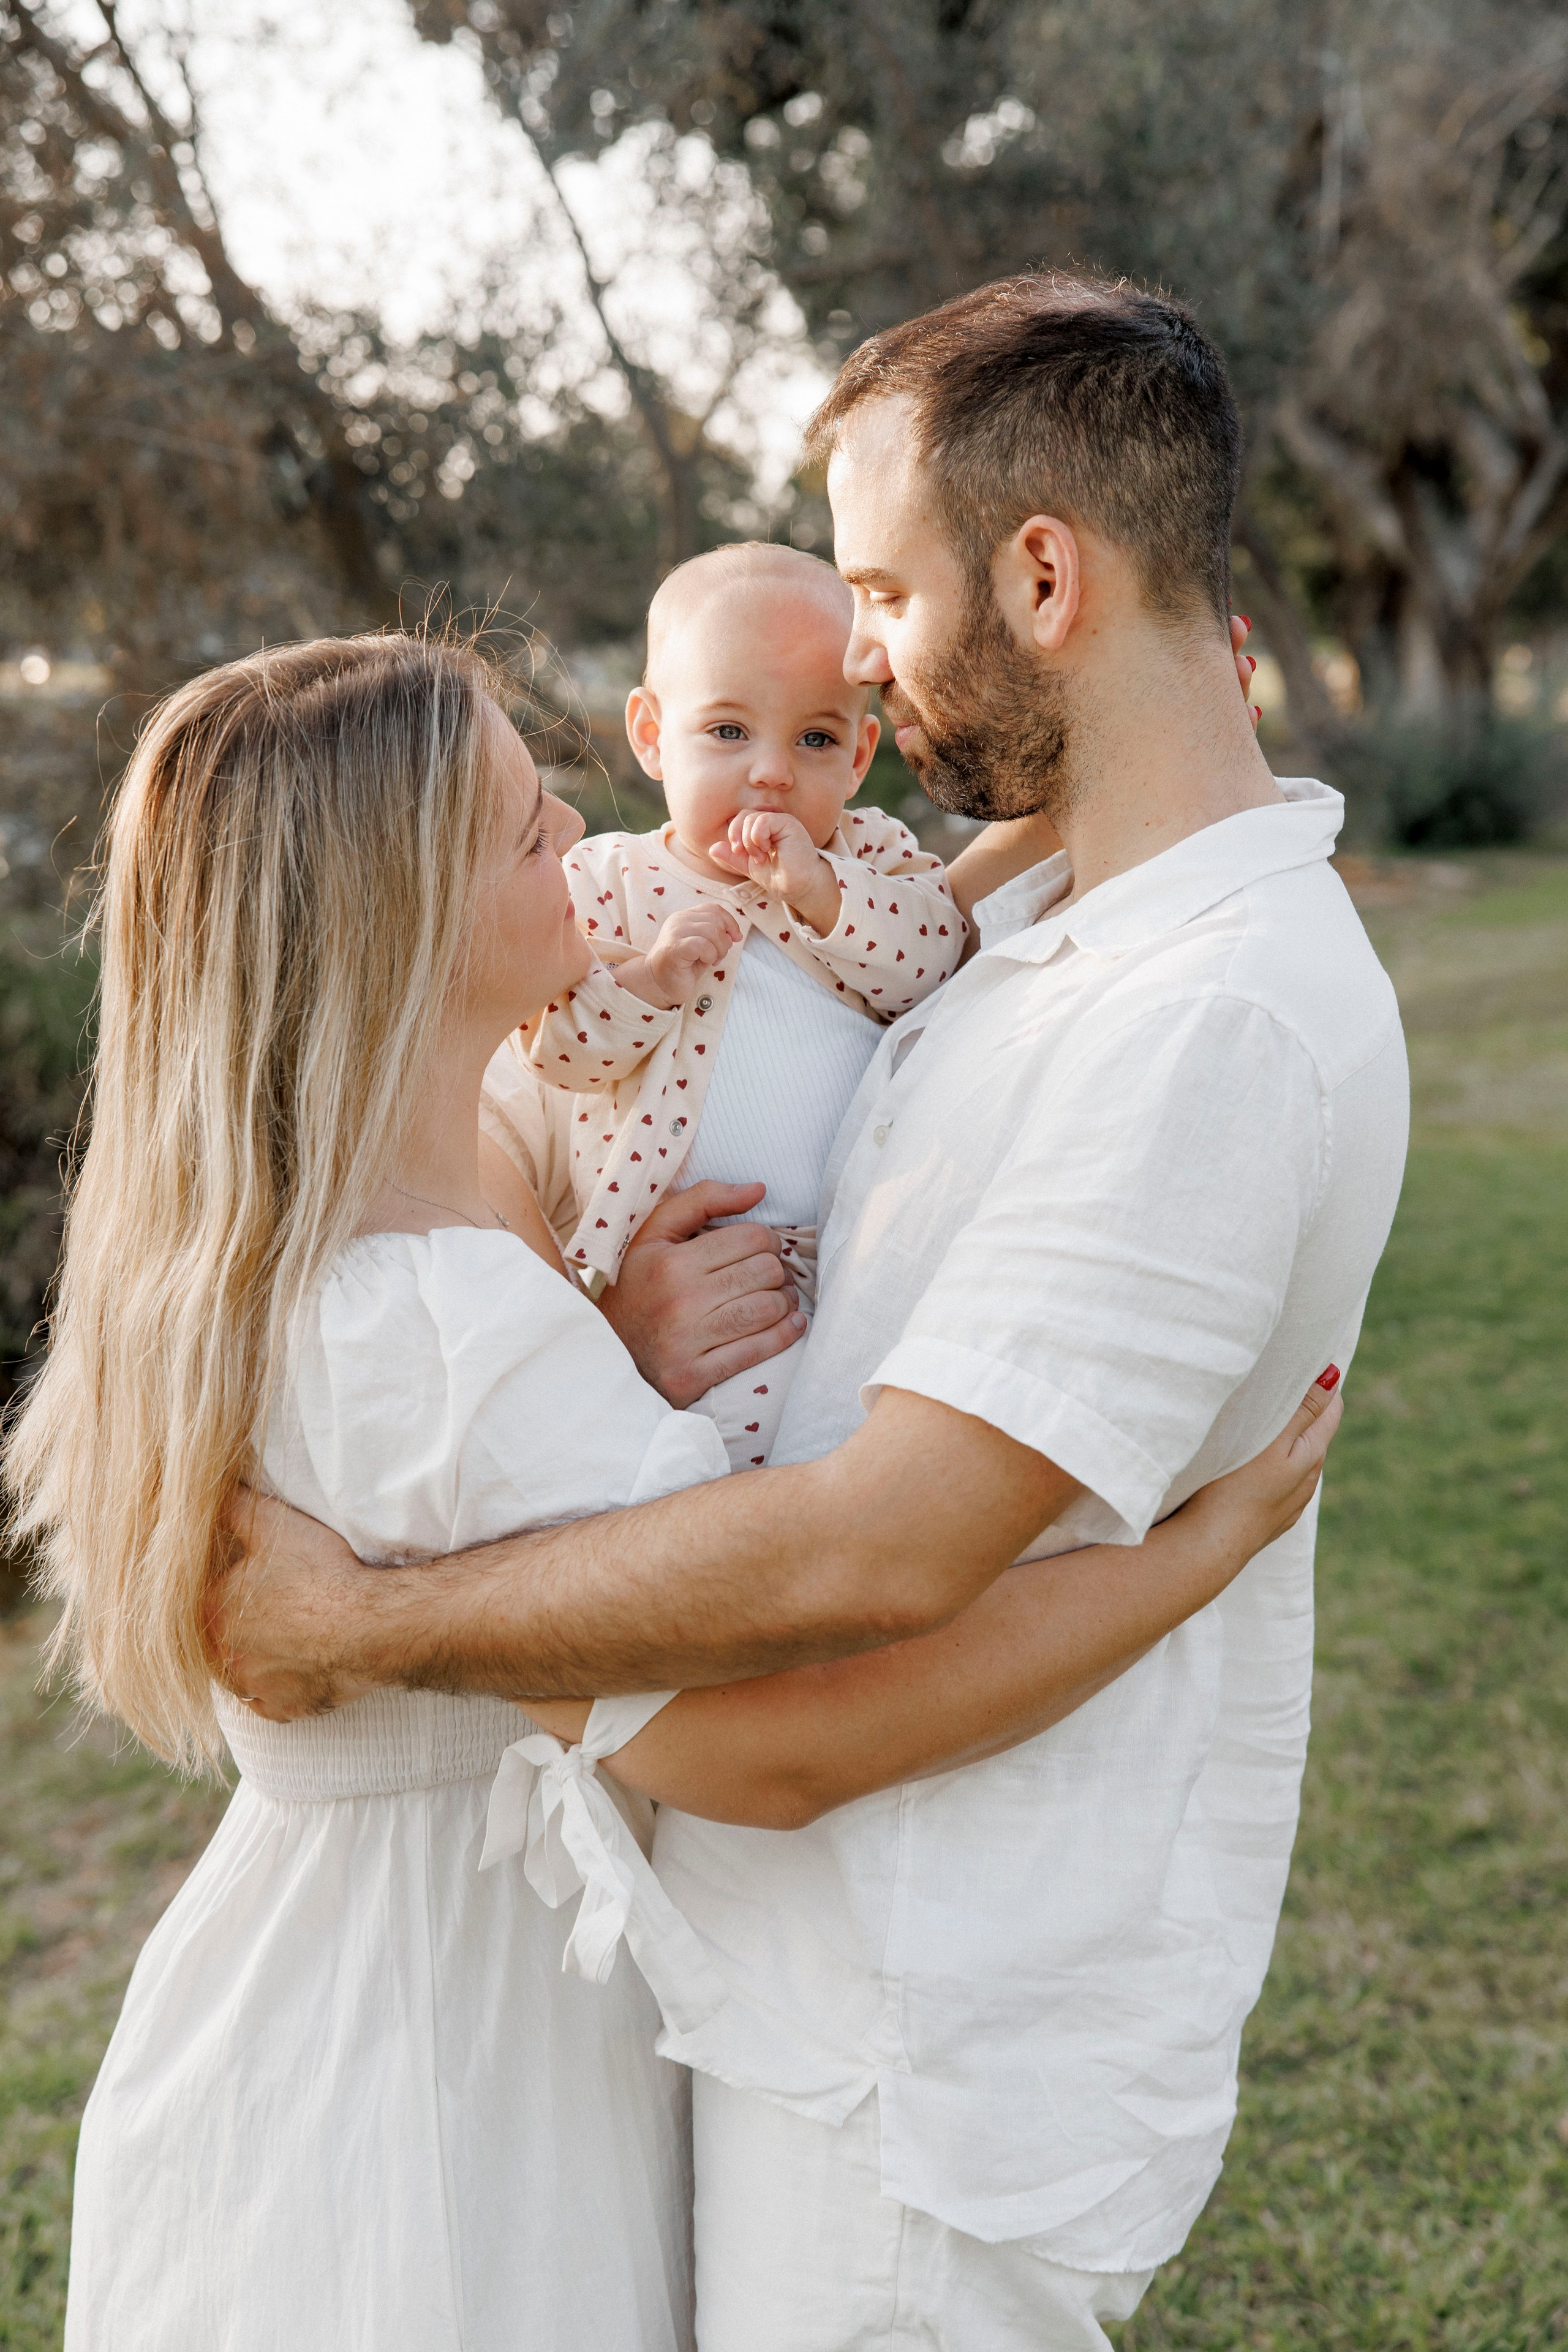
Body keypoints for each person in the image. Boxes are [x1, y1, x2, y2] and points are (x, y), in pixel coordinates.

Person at [216, 273, 1410, 2348]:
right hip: (797, 2005)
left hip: (929, 2079)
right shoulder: (1060, 919)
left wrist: (357, 1626)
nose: (846, 658)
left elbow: (872, 1563)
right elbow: (977, 874)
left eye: (876, 589)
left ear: (1044, 572)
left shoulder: (1207, 1020)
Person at [6, 627, 1342, 2352]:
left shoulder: (357, 1251)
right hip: (437, 2086)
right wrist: (1198, 1552)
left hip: (323, 2017)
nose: (580, 828)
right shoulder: (433, 1322)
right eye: (516, 828)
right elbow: (780, 1740)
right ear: (395, 923)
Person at [514, 539, 965, 1467]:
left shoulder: (868, 858)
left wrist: (824, 893)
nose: (770, 773)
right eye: (728, 732)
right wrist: (654, 982)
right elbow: (561, 1048)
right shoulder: (607, 880)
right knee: (713, 1466)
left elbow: (937, 960)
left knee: (874, 1459)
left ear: (858, 755)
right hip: (697, 1265)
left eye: (814, 739)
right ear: (649, 734)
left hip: (859, 1259)